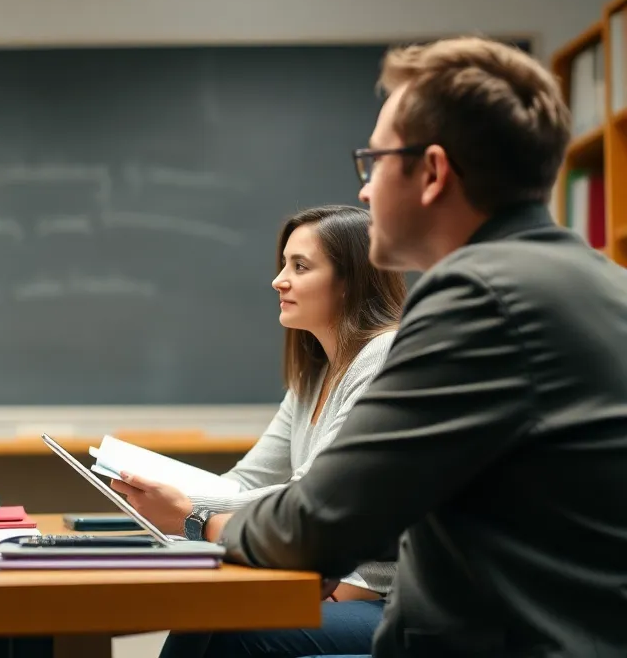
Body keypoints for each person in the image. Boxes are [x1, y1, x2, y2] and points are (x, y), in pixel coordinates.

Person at [212, 36, 627, 657]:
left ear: (431, 172)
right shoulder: (605, 283)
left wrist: (205, 525)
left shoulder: (477, 296)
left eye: (374, 163)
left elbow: (317, 524)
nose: (364, 192)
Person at [109, 205, 405, 658]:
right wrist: (163, 495)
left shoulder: (384, 355)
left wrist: (190, 513)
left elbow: (309, 496)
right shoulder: (314, 374)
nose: (278, 281)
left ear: (351, 280)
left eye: (300, 267)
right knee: (204, 618)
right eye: (284, 264)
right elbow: (247, 481)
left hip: (387, 599)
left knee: (227, 629)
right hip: (323, 580)